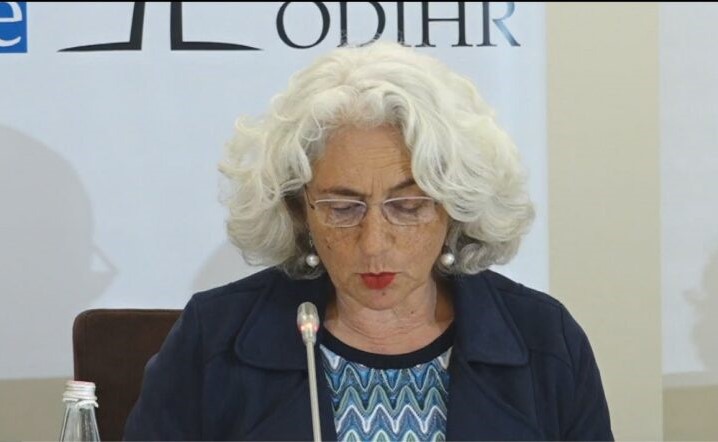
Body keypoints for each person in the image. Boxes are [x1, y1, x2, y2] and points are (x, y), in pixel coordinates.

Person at [124, 42, 613, 441]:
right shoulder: (214, 338)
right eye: (343, 208)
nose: (374, 244)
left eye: (408, 206)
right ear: (298, 210)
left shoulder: (544, 339)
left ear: (456, 206)